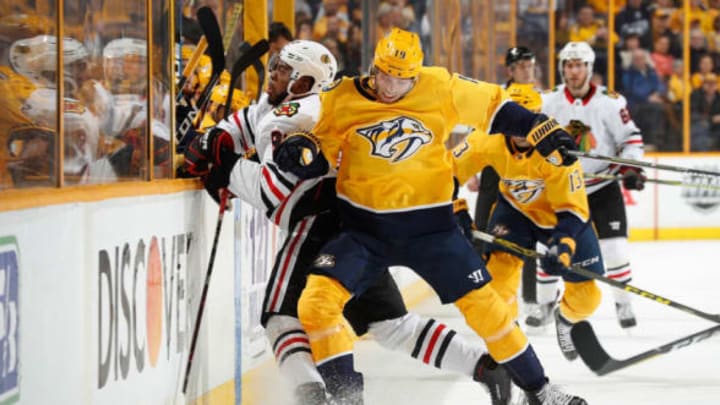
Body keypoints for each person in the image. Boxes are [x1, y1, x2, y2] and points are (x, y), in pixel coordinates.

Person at [183, 40, 512, 405]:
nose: (272, 75)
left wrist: (224, 168)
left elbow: (271, 192)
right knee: (390, 324)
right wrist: (214, 139)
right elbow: (245, 123)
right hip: (359, 227)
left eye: (281, 70)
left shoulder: (293, 115)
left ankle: (313, 396)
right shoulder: (306, 103)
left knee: (279, 316)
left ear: (302, 82)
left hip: (318, 225)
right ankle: (484, 366)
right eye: (275, 67)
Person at [274, 28, 586, 405]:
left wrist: (539, 127)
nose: (391, 86)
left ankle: (540, 390)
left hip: (433, 231)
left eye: (402, 79)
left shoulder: (440, 86)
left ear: (416, 74)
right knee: (316, 304)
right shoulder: (340, 97)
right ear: (374, 66)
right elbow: (317, 146)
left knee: (487, 308)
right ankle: (346, 398)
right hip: (364, 231)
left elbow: (495, 106)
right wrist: (302, 153)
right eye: (385, 74)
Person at [453, 84, 604, 362]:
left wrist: (563, 246)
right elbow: (444, 173)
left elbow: (573, 209)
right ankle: (511, 343)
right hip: (515, 213)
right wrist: (457, 211)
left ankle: (566, 319)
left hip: (560, 220)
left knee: (588, 298)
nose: (520, 132)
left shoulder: (558, 151)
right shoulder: (486, 138)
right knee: (496, 287)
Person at [539, 41, 645, 329]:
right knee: (551, 249)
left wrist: (631, 166)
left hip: (602, 186)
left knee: (615, 251)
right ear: (562, 69)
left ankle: (623, 303)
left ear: (589, 68)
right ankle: (546, 303)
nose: (573, 71)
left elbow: (630, 139)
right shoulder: (547, 101)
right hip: (563, 190)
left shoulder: (610, 102)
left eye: (579, 65)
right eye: (568, 65)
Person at [469, 46, 543, 309]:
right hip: (492, 167)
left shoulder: (541, 96)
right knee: (482, 229)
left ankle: (532, 298)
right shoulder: (496, 95)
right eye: (521, 65)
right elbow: (477, 129)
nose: (526, 68)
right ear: (510, 69)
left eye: (529, 64)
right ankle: (482, 292)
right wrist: (473, 170)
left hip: (526, 170)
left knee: (529, 232)